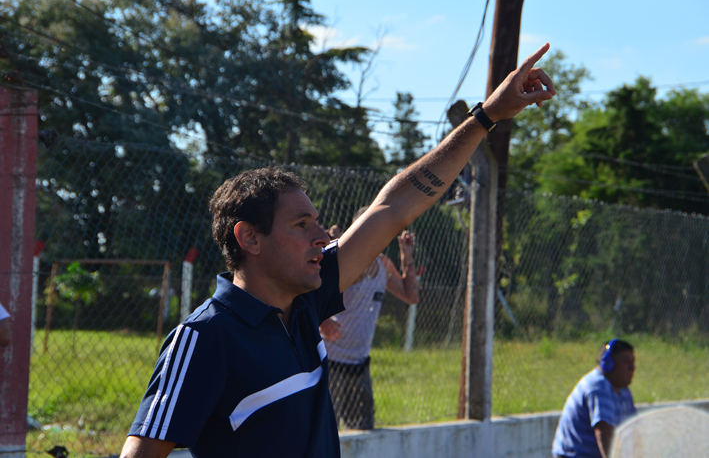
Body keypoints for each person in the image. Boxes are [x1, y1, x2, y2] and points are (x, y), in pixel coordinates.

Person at [120, 43, 555, 458]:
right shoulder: (203, 339)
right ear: (249, 238)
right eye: (301, 224)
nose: (322, 237)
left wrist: (487, 116)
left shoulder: (306, 301)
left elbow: (392, 207)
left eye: (316, 221)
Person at [320, 208, 419, 430]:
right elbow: (314, 292)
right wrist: (337, 246)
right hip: (330, 364)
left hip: (359, 365)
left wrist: (406, 255)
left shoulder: (383, 264)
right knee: (325, 435)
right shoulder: (346, 260)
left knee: (363, 432)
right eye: (371, 231)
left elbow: (411, 296)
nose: (379, 237)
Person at [552, 339, 637, 458]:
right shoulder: (598, 387)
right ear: (608, 363)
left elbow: (634, 430)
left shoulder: (623, 391)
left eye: (633, 362)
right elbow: (604, 434)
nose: (633, 367)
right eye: (626, 362)